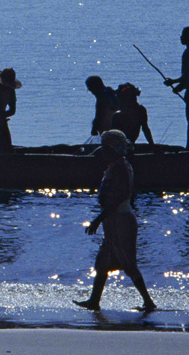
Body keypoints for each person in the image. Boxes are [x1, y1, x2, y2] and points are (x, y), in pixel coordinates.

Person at [73, 130, 157, 312]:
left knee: (128, 262)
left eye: (104, 148)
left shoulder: (120, 168)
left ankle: (148, 302)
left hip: (121, 220)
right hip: (113, 220)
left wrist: (97, 219)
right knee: (102, 262)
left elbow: (119, 197)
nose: (102, 151)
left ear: (112, 149)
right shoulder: (115, 166)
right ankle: (93, 301)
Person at [112, 83, 155, 148]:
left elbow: (145, 129)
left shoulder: (140, 110)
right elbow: (114, 134)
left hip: (127, 143)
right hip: (119, 145)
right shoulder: (118, 115)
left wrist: (152, 144)